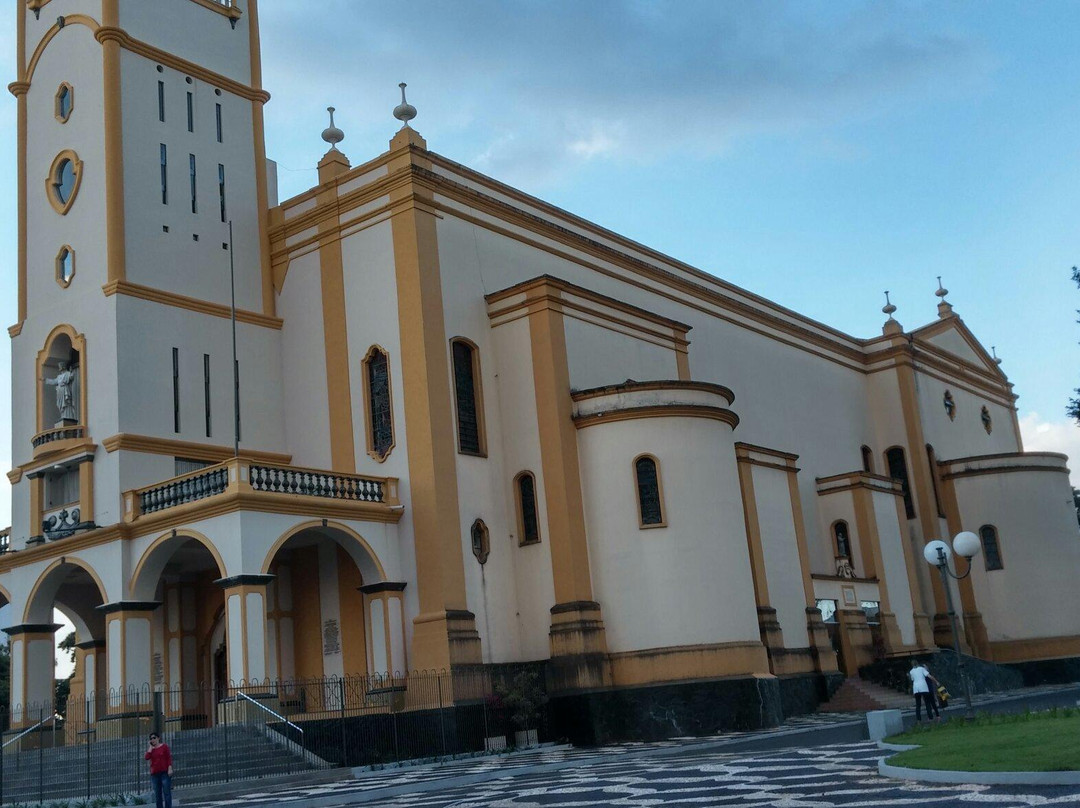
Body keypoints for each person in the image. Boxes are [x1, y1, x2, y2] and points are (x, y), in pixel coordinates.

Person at [145, 732, 173, 808]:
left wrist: (169, 768)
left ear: (158, 738)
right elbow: (147, 757)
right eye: (151, 739)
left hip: (164, 772)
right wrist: (150, 747)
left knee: (167, 792)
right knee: (158, 794)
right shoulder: (151, 750)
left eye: (154, 738)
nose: (153, 740)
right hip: (155, 774)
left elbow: (168, 758)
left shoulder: (164, 747)